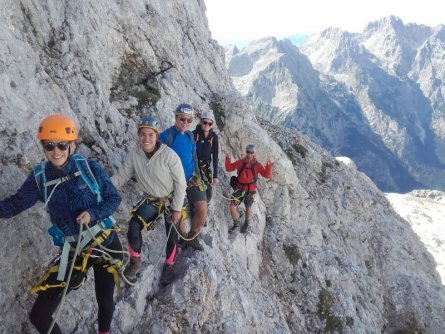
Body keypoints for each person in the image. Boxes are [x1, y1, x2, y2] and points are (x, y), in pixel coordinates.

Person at [0, 115, 123, 334]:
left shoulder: (89, 168)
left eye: (62, 145)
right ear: (43, 146)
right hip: (74, 250)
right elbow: (13, 205)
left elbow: (113, 198)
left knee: (104, 300)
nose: (56, 151)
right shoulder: (39, 179)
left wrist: (92, 214)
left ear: (72, 145)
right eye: (49, 145)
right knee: (39, 315)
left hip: (104, 240)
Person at [111, 116, 187, 286]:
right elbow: (123, 175)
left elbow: (181, 183)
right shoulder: (135, 154)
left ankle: (169, 266)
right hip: (151, 200)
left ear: (156, 136)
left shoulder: (168, 155)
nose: (146, 139)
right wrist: (106, 188)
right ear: (139, 135)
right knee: (133, 225)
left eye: (150, 135)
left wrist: (176, 209)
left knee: (172, 233)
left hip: (171, 198)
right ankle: (135, 262)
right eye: (143, 134)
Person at [159, 103, 207, 251]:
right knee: (178, 215)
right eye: (182, 119)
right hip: (173, 183)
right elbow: (156, 160)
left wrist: (199, 176)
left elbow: (193, 156)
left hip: (190, 177)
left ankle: (192, 237)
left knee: (202, 209)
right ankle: (185, 237)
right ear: (176, 117)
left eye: (189, 120)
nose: (185, 123)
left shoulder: (189, 135)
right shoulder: (166, 136)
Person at [225, 144, 273, 233]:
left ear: (254, 153)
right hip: (239, 188)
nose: (250, 154)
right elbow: (229, 168)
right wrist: (228, 158)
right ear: (246, 152)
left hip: (250, 190)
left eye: (252, 152)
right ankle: (237, 223)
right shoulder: (240, 162)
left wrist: (269, 164)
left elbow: (267, 175)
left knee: (248, 207)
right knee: (232, 207)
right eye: (248, 152)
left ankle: (246, 224)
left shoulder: (257, 165)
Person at [192, 109, 219, 203]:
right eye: (205, 122)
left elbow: (215, 156)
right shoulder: (194, 134)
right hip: (193, 167)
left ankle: (202, 211)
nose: (207, 125)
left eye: (210, 123)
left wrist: (215, 176)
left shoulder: (214, 137)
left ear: (212, 124)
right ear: (201, 121)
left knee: (208, 194)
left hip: (206, 169)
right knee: (197, 192)